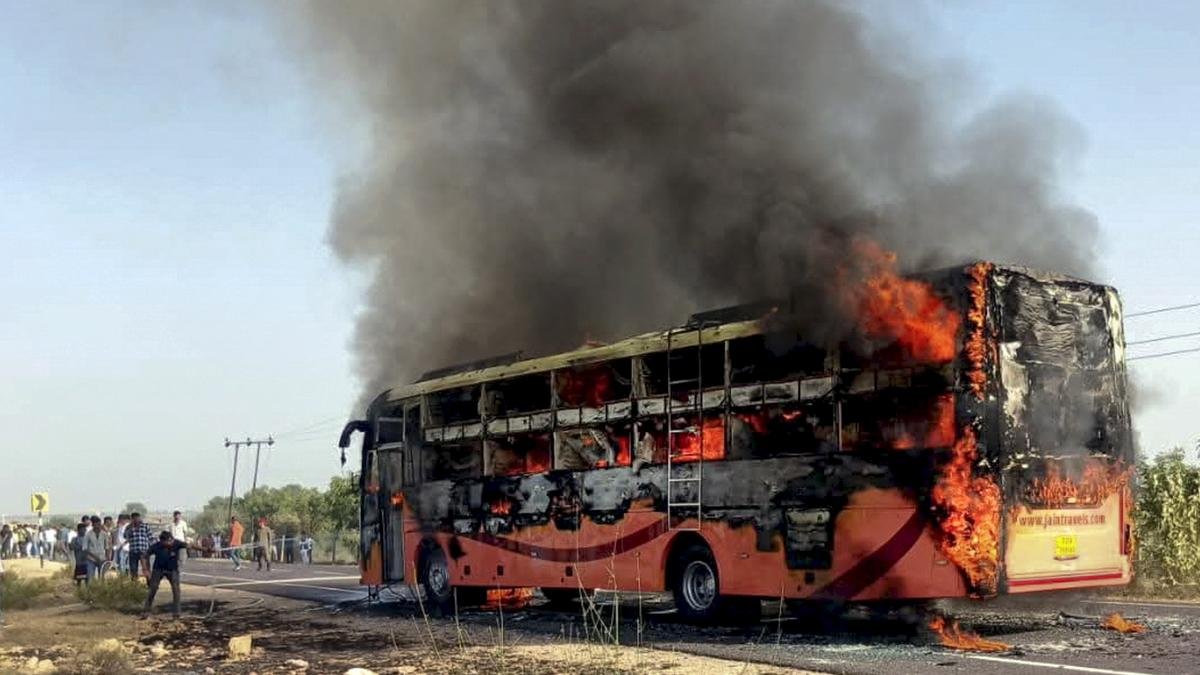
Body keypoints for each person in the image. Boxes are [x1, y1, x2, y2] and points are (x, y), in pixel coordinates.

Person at [140, 531, 187, 620]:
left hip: (172, 570)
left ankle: (176, 613)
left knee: (176, 590)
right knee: (152, 589)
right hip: (158, 569)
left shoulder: (176, 543)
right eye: (168, 541)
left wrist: (205, 549)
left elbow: (190, 546)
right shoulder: (156, 546)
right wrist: (145, 569)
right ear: (162, 541)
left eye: (171, 540)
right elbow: (144, 556)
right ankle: (146, 611)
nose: (171, 542)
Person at [125, 512, 152, 580]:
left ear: (139, 518)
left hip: (144, 551)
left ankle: (150, 585)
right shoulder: (129, 527)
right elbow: (125, 536)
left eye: (137, 518)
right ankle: (135, 586)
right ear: (132, 519)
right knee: (133, 570)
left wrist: (152, 549)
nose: (136, 520)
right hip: (133, 551)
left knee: (146, 569)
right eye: (134, 519)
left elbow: (150, 538)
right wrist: (130, 528)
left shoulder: (145, 526)